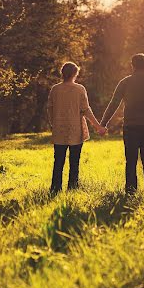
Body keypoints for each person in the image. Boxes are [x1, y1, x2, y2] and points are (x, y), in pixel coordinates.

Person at [100, 53, 144, 194]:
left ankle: (130, 190)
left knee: (130, 160)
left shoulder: (125, 82)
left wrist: (103, 123)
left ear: (132, 65)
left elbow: (114, 104)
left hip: (131, 126)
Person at [47, 62, 107, 193]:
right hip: (76, 130)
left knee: (58, 161)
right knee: (74, 162)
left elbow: (50, 108)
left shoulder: (55, 89)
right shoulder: (80, 89)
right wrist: (98, 126)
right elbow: (86, 110)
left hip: (59, 130)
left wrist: (54, 123)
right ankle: (72, 189)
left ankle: (55, 189)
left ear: (62, 73)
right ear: (75, 73)